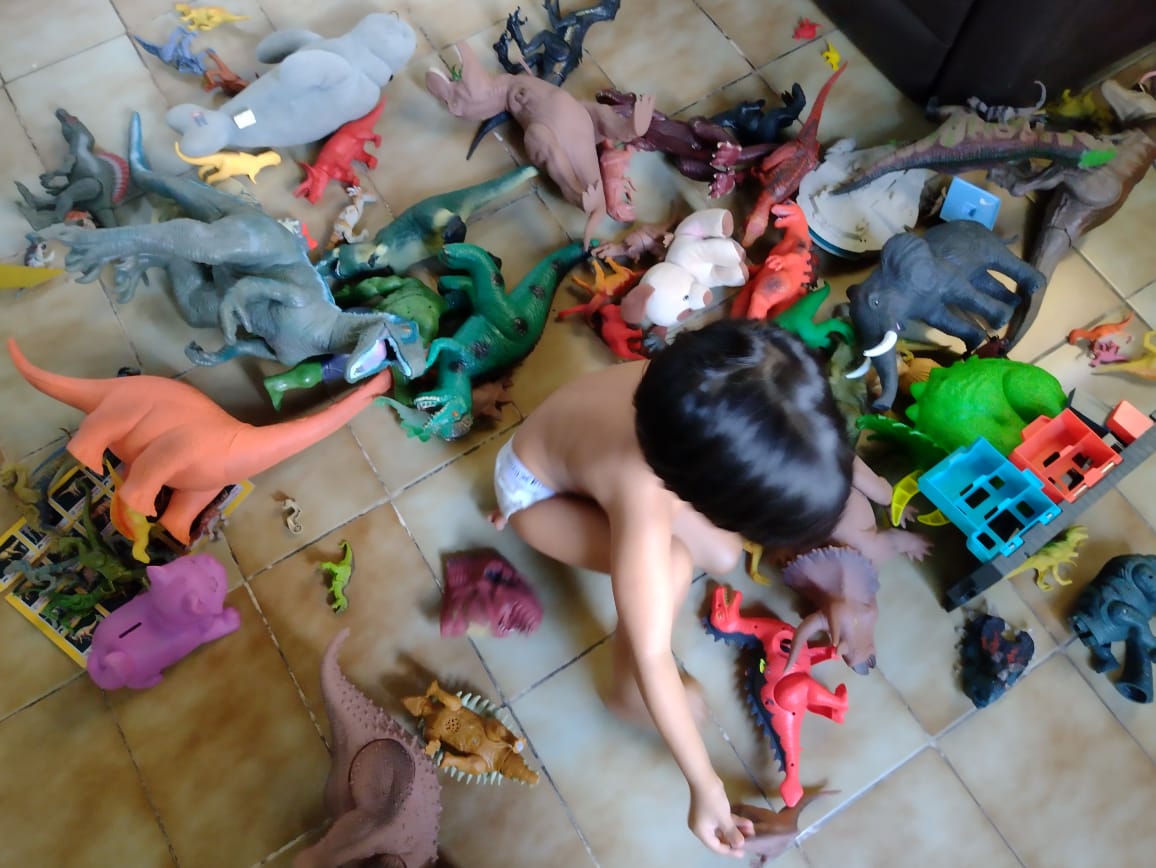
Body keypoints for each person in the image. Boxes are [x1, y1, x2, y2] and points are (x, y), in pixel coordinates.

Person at [489, 318, 854, 857]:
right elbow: (653, 653)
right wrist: (705, 786)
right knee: (676, 563)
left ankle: (610, 507)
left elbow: (797, 434)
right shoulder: (641, 496)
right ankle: (622, 694)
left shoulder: (707, 378)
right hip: (535, 496)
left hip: (605, 452)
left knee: (723, 555)